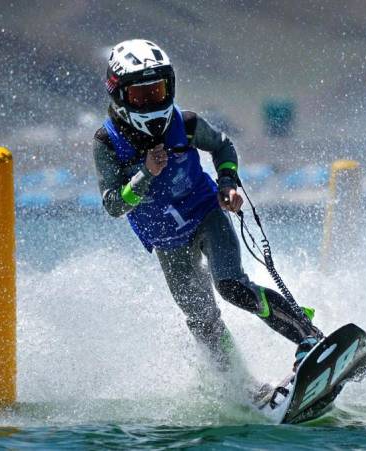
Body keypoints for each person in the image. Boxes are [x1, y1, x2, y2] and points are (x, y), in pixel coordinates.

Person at [92, 39, 323, 374]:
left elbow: (223, 146)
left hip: (205, 215)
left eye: (156, 92)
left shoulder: (184, 123)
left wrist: (228, 183)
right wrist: (145, 174)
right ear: (119, 95)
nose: (151, 101)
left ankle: (309, 337)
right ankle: (241, 389)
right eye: (141, 96)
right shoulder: (106, 143)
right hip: (167, 241)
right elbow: (113, 205)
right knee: (202, 320)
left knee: (231, 286)